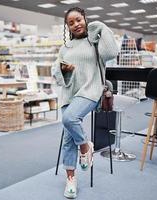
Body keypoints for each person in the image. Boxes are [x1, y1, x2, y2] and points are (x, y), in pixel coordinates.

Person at [52, 7, 119, 199]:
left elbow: (112, 52)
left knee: (70, 119)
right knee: (67, 137)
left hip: (90, 90)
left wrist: (100, 26)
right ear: (67, 27)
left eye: (78, 20)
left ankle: (85, 147)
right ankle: (71, 179)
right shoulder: (65, 48)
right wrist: (63, 68)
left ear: (85, 19)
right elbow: (56, 72)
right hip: (69, 93)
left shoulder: (95, 42)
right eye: (71, 23)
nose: (76, 25)